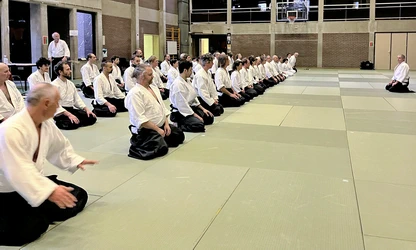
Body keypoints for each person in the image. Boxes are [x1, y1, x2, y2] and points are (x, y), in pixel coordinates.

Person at [0, 83, 98, 246]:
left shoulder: (46, 123)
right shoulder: (10, 130)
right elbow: (17, 170)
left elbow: (59, 147)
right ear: (46, 103)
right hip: (9, 191)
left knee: (77, 196)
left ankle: (39, 207)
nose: (58, 106)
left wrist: (74, 160)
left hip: (34, 183)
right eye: (57, 102)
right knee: (30, 229)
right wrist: (50, 190)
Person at [125, 64, 185, 160]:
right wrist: (157, 130)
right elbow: (140, 119)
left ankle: (160, 137)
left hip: (161, 125)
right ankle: (138, 145)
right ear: (141, 76)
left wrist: (166, 124)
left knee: (179, 135)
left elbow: (162, 108)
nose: (153, 76)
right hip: (146, 129)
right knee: (162, 148)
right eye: (150, 74)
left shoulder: (153, 87)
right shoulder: (135, 93)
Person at [170, 61, 214, 132]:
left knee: (209, 118)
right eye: (190, 70)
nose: (191, 72)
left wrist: (203, 109)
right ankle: (178, 125)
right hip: (181, 112)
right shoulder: (177, 84)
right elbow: (182, 104)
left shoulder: (187, 81)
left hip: (191, 107)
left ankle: (192, 120)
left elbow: (194, 97)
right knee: (199, 125)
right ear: (185, 70)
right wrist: (195, 115)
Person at [52, 62, 97, 130]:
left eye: (69, 69)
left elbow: (77, 99)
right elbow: (55, 104)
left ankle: (76, 121)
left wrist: (87, 109)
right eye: (67, 69)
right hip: (61, 112)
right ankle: (61, 121)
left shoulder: (71, 84)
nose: (70, 71)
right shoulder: (54, 85)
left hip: (71, 109)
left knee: (91, 118)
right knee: (71, 124)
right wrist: (69, 115)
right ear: (60, 72)